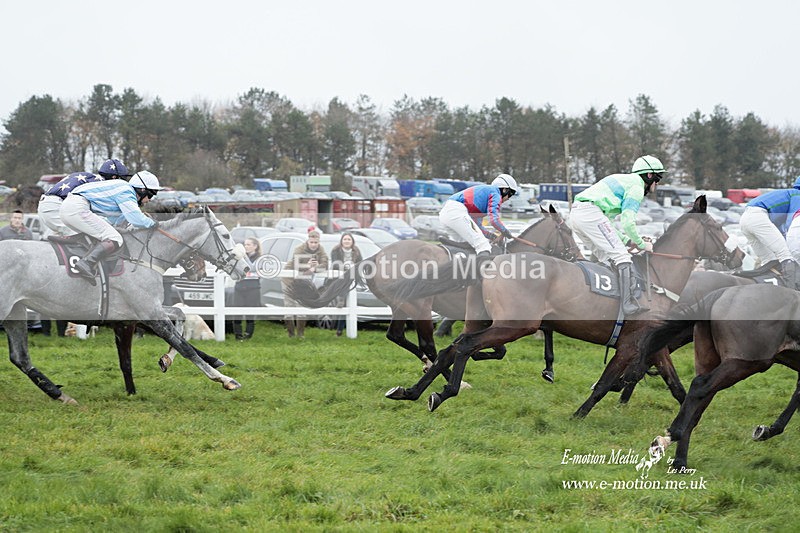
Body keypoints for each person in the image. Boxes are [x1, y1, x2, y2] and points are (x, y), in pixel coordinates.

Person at [569, 155, 665, 316]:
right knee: (622, 257)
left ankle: (603, 300)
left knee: (607, 258)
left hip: (578, 215)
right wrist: (641, 244)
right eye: (658, 178)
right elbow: (628, 223)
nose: (658, 183)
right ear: (649, 176)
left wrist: (628, 241)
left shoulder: (626, 181)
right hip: (590, 214)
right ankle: (628, 304)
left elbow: (609, 225)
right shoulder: (636, 187)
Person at [60, 170, 162, 285]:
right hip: (77, 208)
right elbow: (137, 219)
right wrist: (153, 223)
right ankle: (86, 263)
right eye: (151, 195)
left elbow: (115, 221)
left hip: (69, 207)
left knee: (102, 237)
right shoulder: (127, 191)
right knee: (115, 238)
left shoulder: (122, 190)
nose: (149, 200)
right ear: (142, 190)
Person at [740, 178, 800, 289]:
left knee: (769, 261)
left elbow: (780, 228)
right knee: (786, 255)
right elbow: (792, 222)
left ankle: (763, 288)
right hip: (758, 216)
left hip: (745, 219)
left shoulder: (789, 193)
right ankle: (792, 291)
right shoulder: (797, 195)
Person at [438, 174, 517, 258]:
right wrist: (504, 231)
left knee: (467, 247)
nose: (509, 198)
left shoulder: (482, 199)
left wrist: (491, 236)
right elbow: (494, 220)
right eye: (511, 193)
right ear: (504, 190)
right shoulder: (496, 193)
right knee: (483, 246)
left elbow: (477, 226)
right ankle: (482, 269)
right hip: (456, 212)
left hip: (446, 214)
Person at [283, 229, 329, 338]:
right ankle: (291, 334)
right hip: (289, 279)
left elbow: (326, 264)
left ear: (319, 242)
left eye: (316, 242)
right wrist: (307, 265)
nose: (313, 244)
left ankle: (300, 334)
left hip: (304, 280)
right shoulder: (299, 249)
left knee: (302, 305)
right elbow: (296, 264)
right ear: (307, 241)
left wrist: (315, 267)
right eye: (311, 242)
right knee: (289, 305)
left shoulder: (321, 250)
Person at [329, 232, 363, 336]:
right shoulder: (335, 251)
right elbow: (335, 264)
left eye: (349, 239)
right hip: (338, 277)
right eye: (345, 239)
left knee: (347, 306)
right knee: (343, 304)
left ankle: (339, 331)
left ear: (352, 242)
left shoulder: (356, 251)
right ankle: (339, 330)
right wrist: (346, 268)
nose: (347, 241)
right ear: (341, 241)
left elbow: (360, 263)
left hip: (350, 279)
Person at [232, 237, 262, 340]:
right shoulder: (239, 257)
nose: (246, 247)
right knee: (237, 312)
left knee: (250, 313)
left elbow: (251, 268)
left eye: (249, 244)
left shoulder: (260, 258)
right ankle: (238, 335)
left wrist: (244, 256)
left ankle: (248, 335)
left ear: (255, 246)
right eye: (245, 244)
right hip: (240, 286)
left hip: (253, 287)